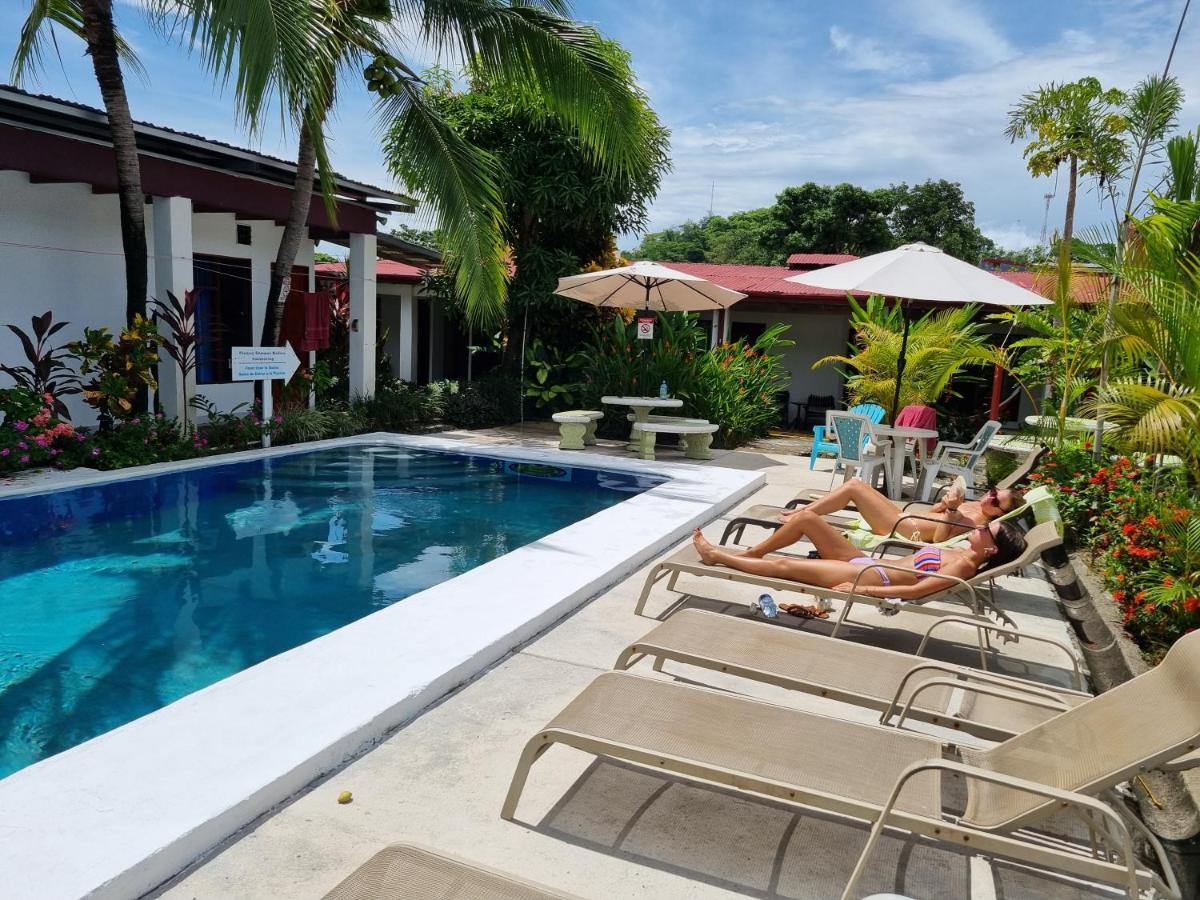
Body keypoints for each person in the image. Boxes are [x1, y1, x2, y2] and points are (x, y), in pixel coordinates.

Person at [692, 514, 1027, 605]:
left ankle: (717, 556)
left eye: (987, 529)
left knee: (785, 568)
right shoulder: (962, 550)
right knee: (808, 520)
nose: (980, 527)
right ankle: (753, 552)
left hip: (872, 578)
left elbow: (914, 593)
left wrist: (860, 592)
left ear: (992, 550)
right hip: (869, 564)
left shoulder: (964, 565)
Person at [751, 478, 1023, 556]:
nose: (990, 497)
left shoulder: (980, 525)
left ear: (1002, 512)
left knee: (855, 487)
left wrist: (951, 511)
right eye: (993, 491)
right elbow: (931, 516)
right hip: (904, 517)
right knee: (857, 484)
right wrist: (944, 505)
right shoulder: (974, 504)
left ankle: (802, 513)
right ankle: (803, 512)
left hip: (901, 528)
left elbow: (937, 542)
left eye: (997, 501)